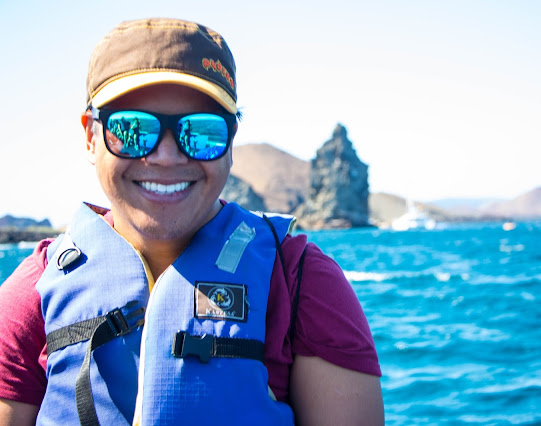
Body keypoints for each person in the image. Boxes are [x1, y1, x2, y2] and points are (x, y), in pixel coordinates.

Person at [0, 18, 383, 425]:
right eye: (131, 129)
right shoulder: (32, 296)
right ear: (91, 138)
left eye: (200, 132)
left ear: (231, 142)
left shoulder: (304, 284)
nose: (166, 156)